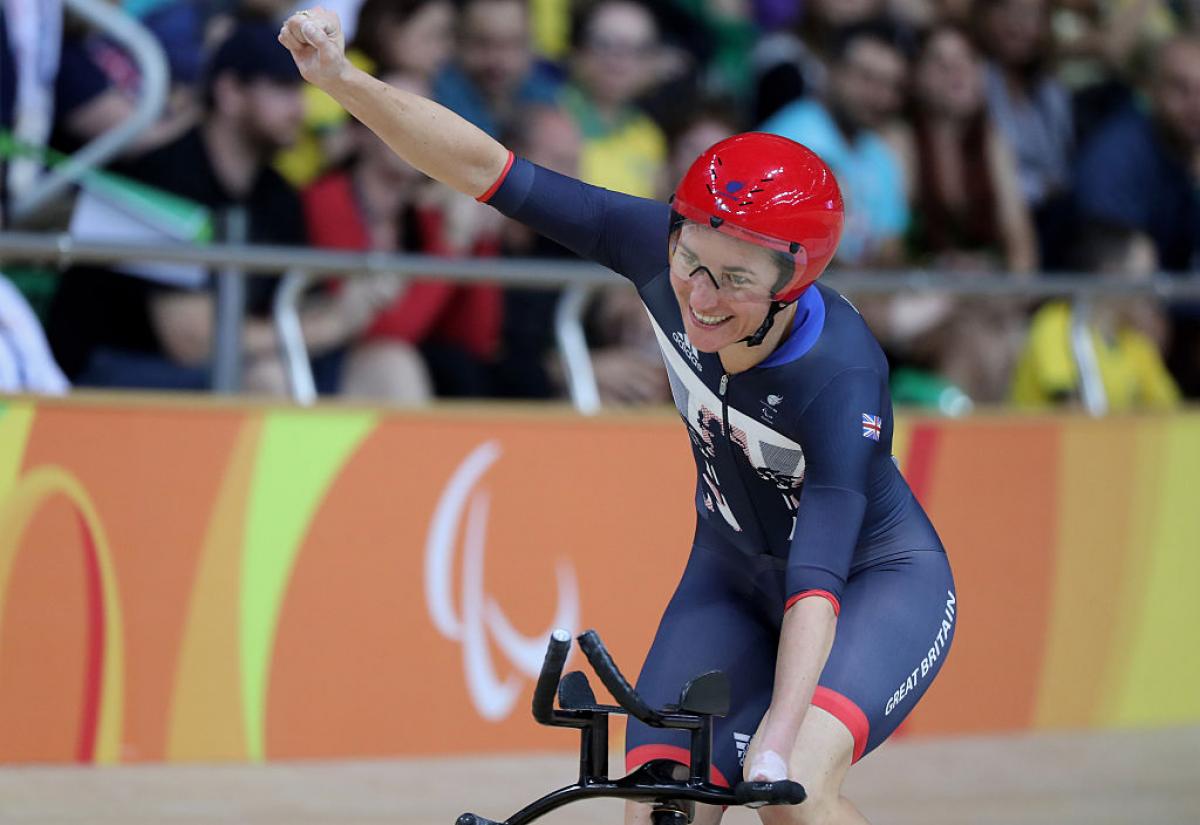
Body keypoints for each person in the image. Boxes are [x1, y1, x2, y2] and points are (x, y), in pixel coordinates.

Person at [279, 8, 956, 825]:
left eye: (735, 281)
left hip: (869, 582)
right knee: (660, 808)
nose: (700, 298)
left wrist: (774, 740)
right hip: (732, 572)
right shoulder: (656, 245)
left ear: (794, 280)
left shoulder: (840, 375)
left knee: (794, 790)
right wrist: (343, 82)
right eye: (690, 264)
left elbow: (817, 578)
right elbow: (486, 170)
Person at [1010, 223, 1180, 411]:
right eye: (1145, 275)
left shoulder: (1135, 342)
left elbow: (1172, 412)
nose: (1153, 289)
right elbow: (1072, 416)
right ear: (1112, 274)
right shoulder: (1055, 324)